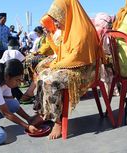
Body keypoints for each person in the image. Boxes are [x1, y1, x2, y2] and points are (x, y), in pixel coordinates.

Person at [35, 0, 103, 139]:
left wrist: (55, 65)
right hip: (75, 65)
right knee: (42, 75)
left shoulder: (81, 30)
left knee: (51, 81)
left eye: (56, 19)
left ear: (66, 13)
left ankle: (58, 121)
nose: (55, 24)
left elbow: (77, 57)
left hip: (85, 70)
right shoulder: (68, 28)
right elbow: (63, 53)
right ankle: (44, 113)